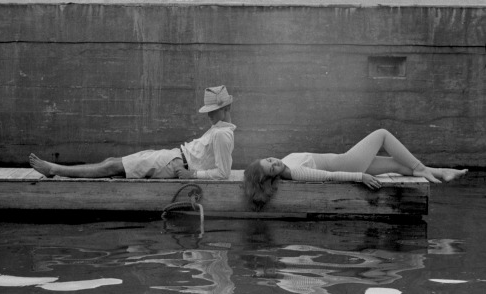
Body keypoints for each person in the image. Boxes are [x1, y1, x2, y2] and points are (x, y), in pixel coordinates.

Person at [29, 85, 236, 180]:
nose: (209, 116)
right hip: (173, 157)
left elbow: (223, 173)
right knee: (112, 161)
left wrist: (193, 175)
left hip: (175, 163)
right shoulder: (219, 130)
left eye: (213, 111)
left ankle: (54, 169)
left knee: (111, 166)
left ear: (226, 109)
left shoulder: (221, 135)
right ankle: (56, 169)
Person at [243, 128, 468, 211]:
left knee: (398, 165)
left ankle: (441, 172)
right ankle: (422, 168)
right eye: (272, 169)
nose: (275, 163)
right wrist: (360, 176)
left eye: (270, 160)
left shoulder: (284, 162)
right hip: (349, 164)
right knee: (382, 134)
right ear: (272, 178)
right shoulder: (294, 173)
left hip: (346, 160)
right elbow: (329, 177)